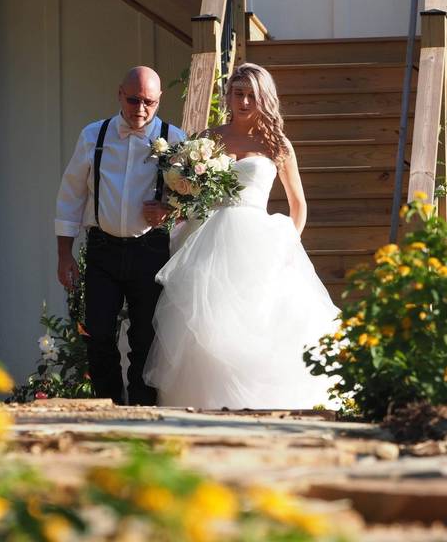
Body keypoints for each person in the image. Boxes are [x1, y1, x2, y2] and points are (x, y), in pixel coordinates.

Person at [144, 63, 338, 409]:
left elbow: (298, 205)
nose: (245, 101)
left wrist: (286, 246)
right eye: (239, 94)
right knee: (205, 320)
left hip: (258, 241)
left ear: (264, 99)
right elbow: (187, 195)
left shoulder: (277, 143)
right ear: (229, 96)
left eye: (252, 95)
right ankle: (202, 401)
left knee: (259, 320)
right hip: (208, 239)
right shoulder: (208, 138)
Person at [55, 66, 186, 405]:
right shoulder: (92, 136)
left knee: (146, 337)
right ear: (119, 94)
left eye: (149, 102)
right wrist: (64, 254)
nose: (140, 109)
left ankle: (142, 411)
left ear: (159, 101)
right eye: (133, 100)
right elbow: (71, 196)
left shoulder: (176, 140)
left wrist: (168, 210)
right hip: (103, 250)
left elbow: (193, 201)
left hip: (151, 251)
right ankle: (108, 405)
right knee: (98, 334)